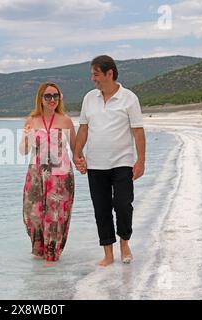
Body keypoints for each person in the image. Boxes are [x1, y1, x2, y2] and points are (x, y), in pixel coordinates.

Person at [73, 55, 146, 267]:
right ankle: (108, 253)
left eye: (96, 74)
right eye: (92, 74)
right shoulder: (89, 98)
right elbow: (84, 128)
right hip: (96, 164)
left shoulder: (129, 98)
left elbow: (138, 132)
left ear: (109, 74)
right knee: (101, 208)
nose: (92, 78)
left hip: (122, 162)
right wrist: (77, 154)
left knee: (123, 204)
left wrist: (141, 160)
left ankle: (124, 243)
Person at [19, 82, 77, 264]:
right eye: (48, 96)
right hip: (36, 174)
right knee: (32, 214)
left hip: (60, 176)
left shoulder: (65, 120)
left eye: (55, 96)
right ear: (41, 99)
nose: (52, 99)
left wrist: (83, 164)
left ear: (60, 98)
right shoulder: (32, 120)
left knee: (56, 216)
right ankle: (39, 252)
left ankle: (52, 257)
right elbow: (23, 150)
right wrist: (28, 136)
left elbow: (75, 149)